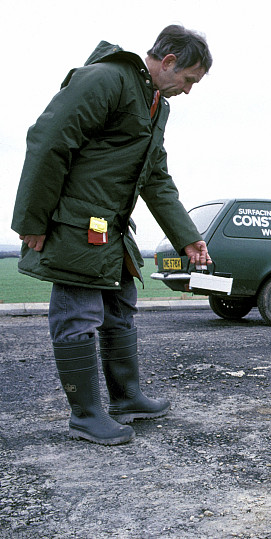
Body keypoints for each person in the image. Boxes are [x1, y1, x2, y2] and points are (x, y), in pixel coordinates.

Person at [11, 25, 213, 445]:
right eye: (189, 80)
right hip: (73, 225)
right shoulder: (106, 78)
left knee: (120, 309)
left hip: (112, 228)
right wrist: (33, 220)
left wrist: (187, 237)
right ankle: (86, 416)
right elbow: (48, 140)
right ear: (170, 62)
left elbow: (155, 177)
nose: (189, 91)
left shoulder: (156, 105)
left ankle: (127, 399)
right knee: (78, 316)